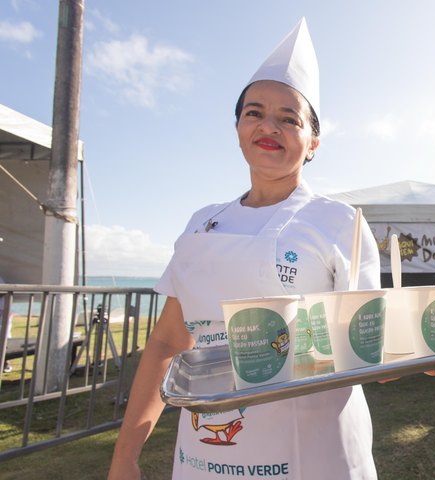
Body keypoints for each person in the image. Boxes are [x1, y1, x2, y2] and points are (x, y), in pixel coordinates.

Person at [109, 19, 380, 479]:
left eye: (289, 118)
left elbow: (368, 346)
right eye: (254, 112)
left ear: (313, 142)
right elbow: (167, 343)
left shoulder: (341, 223)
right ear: (237, 126)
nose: (267, 125)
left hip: (312, 456)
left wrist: (410, 355)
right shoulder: (202, 221)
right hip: (205, 455)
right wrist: (125, 456)